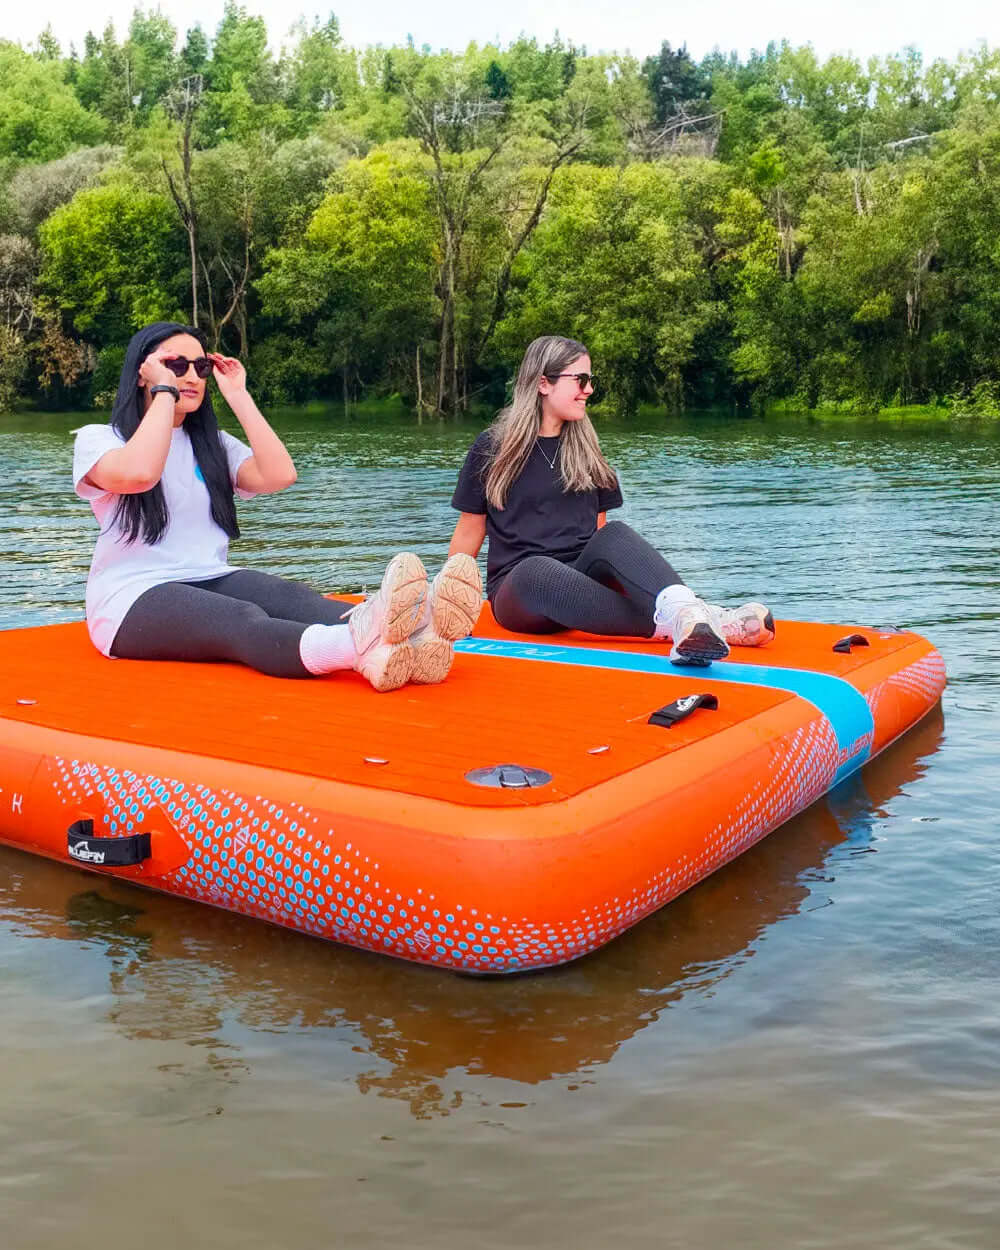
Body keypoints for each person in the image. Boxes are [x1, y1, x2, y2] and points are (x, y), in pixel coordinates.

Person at [73, 322, 481, 692]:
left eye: (201, 366)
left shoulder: (210, 444)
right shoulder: (101, 439)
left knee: (294, 599)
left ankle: (417, 631)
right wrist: (164, 391)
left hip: (208, 575)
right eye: (176, 364)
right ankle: (358, 647)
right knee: (240, 618)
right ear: (144, 372)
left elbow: (279, 474)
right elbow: (140, 474)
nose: (193, 376)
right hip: (130, 600)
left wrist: (238, 395)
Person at [447, 335, 773, 665]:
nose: (589, 390)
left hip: (582, 582)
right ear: (544, 383)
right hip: (521, 591)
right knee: (537, 569)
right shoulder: (493, 447)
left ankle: (689, 615)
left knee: (615, 534)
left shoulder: (587, 449)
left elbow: (600, 535)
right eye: (581, 380)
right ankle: (713, 621)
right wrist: (446, 603)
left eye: (590, 381)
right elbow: (469, 532)